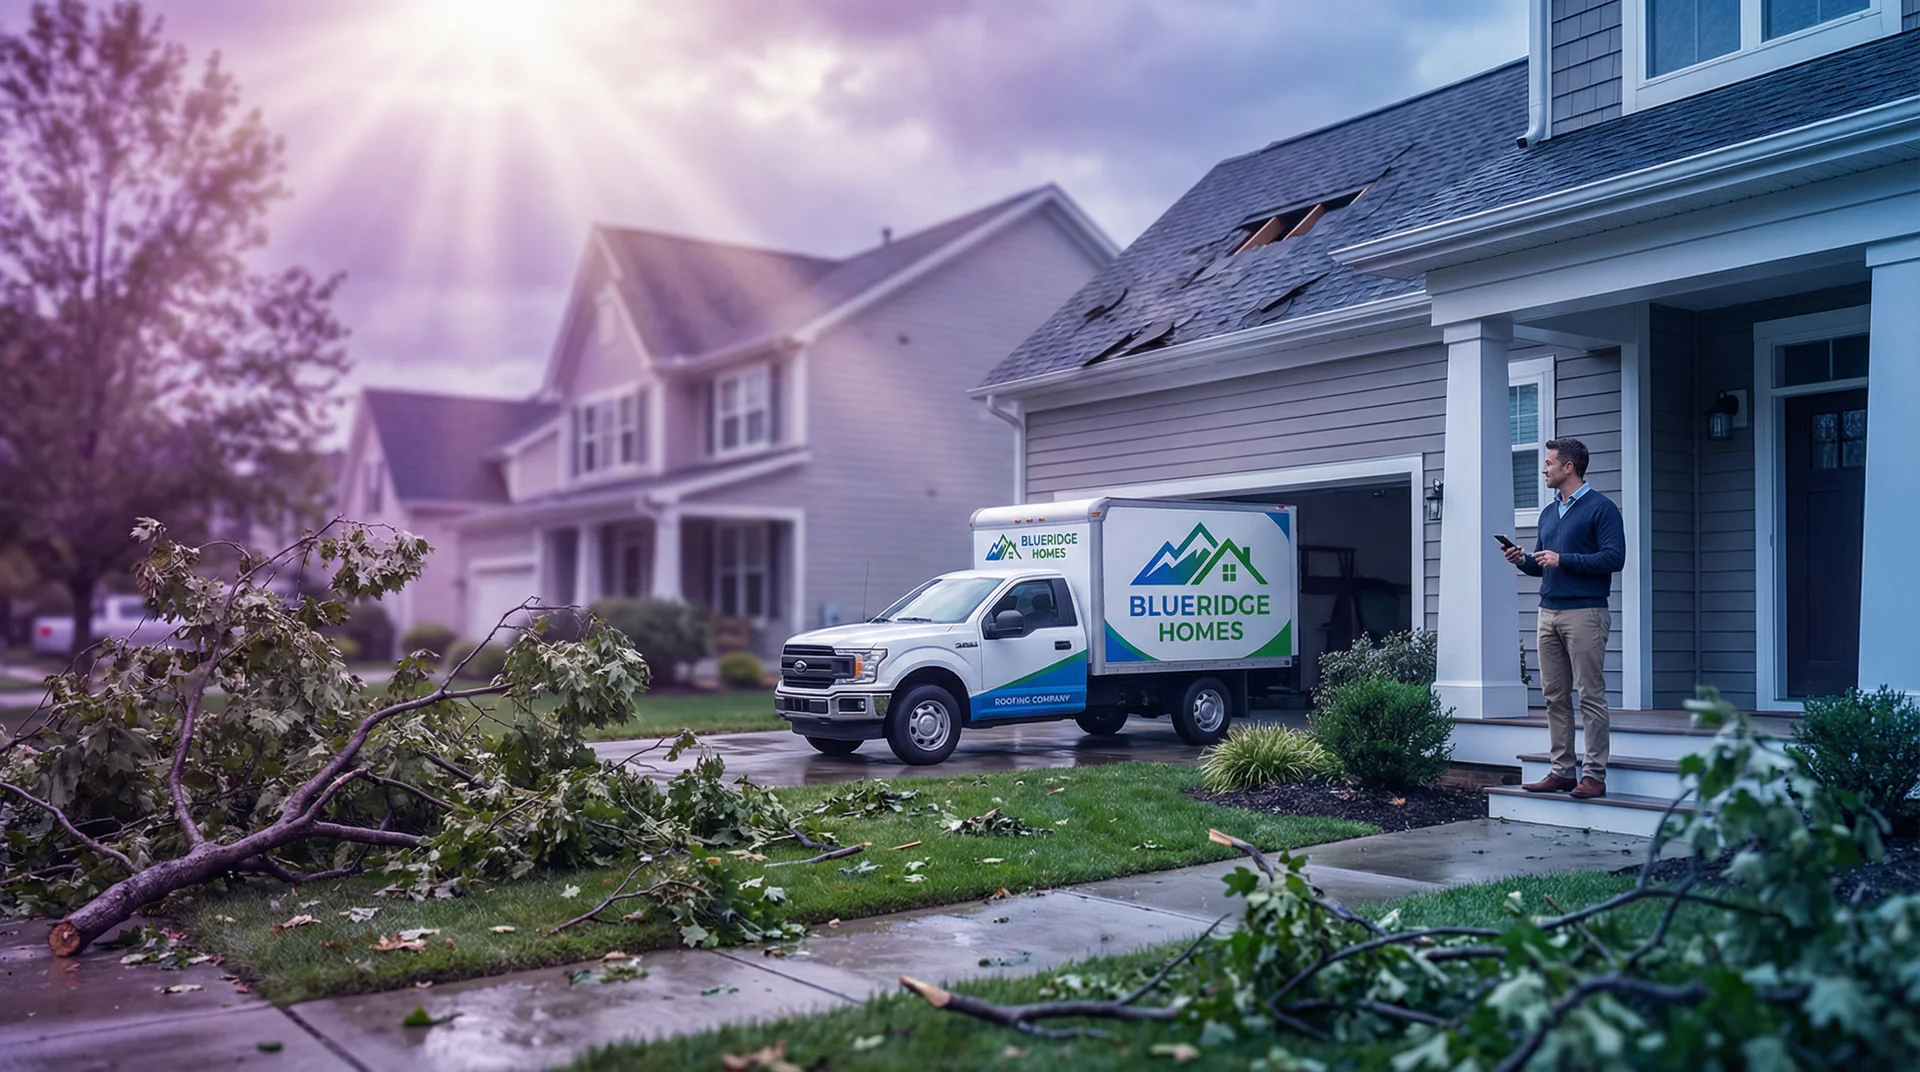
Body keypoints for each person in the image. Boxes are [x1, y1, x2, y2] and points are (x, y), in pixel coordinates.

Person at [1502, 437, 1625, 800]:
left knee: (1590, 696)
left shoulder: (1601, 508)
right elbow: (1545, 565)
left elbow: (1614, 559)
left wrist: (1564, 559)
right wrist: (1523, 559)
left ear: (1568, 467)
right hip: (1548, 612)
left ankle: (1595, 775)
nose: (1543, 469)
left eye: (1549, 463)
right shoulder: (1548, 512)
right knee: (1554, 697)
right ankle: (1562, 771)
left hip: (1586, 612)